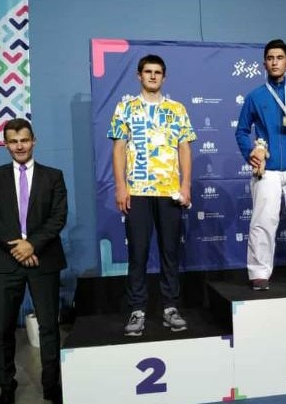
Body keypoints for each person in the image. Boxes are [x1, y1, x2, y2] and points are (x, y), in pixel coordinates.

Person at [0, 118, 67, 404]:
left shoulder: (53, 176)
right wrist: (18, 247)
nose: (19, 146)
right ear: (6, 144)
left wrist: (32, 245)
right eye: (13, 141)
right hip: (5, 262)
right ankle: (6, 387)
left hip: (45, 260)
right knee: (3, 329)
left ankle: (52, 386)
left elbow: (58, 217)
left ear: (34, 141)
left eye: (24, 140)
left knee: (49, 328)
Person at [109, 54, 196, 336]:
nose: (153, 76)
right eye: (148, 71)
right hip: (137, 191)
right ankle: (137, 310)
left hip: (170, 192)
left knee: (170, 252)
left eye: (158, 72)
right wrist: (121, 186)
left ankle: (170, 307)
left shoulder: (177, 109)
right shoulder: (125, 107)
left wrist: (186, 186)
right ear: (139, 75)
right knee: (138, 252)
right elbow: (119, 148)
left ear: (164, 77)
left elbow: (184, 148)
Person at [234, 39, 286, 291]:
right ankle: (259, 272)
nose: (275, 62)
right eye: (270, 58)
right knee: (263, 221)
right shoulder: (255, 96)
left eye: (279, 58)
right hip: (267, 168)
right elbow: (241, 131)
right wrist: (250, 153)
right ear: (264, 64)